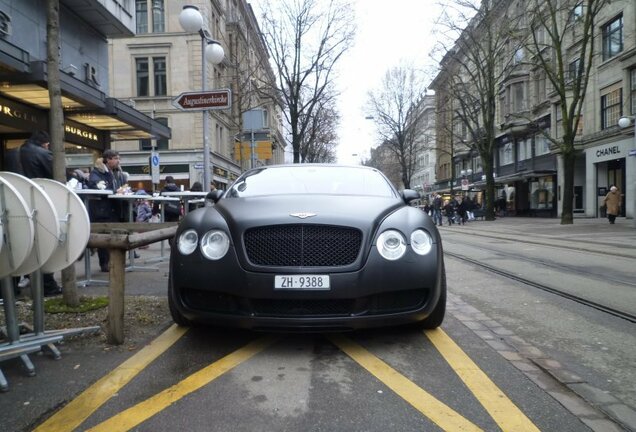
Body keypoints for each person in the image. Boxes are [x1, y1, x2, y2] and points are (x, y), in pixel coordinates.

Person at [18, 130, 62, 296]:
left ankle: (15, 285)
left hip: (18, 202)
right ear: (45, 143)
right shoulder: (43, 153)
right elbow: (57, 175)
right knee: (43, 242)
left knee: (21, 242)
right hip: (40, 201)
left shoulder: (14, 153)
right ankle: (47, 285)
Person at [87, 149, 125, 272]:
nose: (118, 161)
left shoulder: (115, 172)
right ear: (108, 159)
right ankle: (105, 264)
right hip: (102, 210)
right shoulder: (97, 172)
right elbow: (99, 187)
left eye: (118, 158)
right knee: (104, 238)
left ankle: (113, 262)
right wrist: (116, 191)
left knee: (114, 236)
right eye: (116, 158)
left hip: (113, 208)